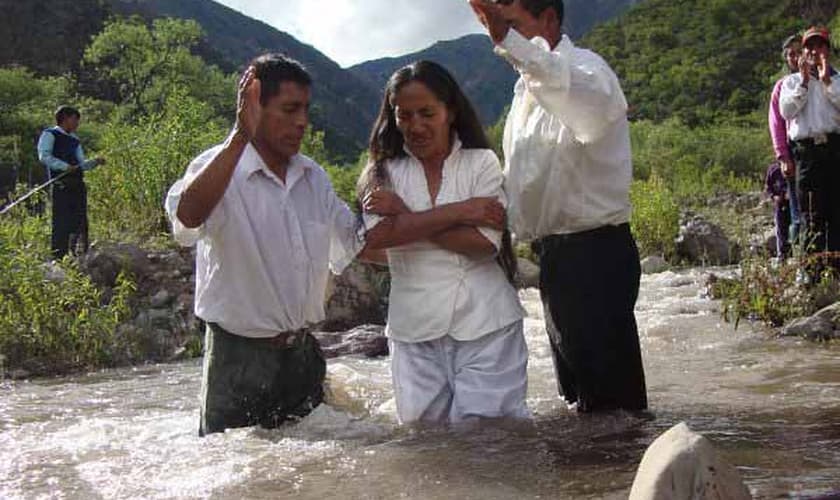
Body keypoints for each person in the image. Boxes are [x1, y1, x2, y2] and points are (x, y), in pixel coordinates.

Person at [165, 54, 364, 436]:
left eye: (305, 109)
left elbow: (356, 244)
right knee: (233, 476)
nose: (302, 121)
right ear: (254, 107)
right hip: (238, 360)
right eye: (289, 109)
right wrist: (240, 135)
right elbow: (188, 219)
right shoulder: (218, 168)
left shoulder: (313, 177)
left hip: (301, 356)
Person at [469, 0, 648, 413]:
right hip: (557, 257)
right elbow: (527, 179)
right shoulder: (524, 92)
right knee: (579, 394)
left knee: (611, 404)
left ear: (548, 18)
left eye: (514, 25)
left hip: (595, 252)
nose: (504, 35)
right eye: (501, 28)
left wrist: (508, 42)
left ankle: (629, 474)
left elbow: (577, 103)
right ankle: (599, 478)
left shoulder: (586, 71)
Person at [358, 60, 528, 424]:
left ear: (450, 112)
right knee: (427, 444)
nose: (415, 125)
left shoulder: (481, 162)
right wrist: (460, 211)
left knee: (491, 438)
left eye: (426, 113)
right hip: (413, 327)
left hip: (486, 322)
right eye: (404, 115)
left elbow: (484, 245)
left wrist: (405, 214)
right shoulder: (382, 170)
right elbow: (379, 237)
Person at [779, 27, 840, 264]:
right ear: (803, 52)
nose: (814, 52)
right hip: (807, 153)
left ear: (827, 50)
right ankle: (811, 273)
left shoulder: (836, 79)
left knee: (836, 212)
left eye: (819, 46)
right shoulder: (791, 82)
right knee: (810, 213)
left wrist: (826, 82)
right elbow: (786, 111)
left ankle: (835, 271)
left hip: (834, 150)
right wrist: (804, 82)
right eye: (809, 47)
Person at [37, 106, 105, 259]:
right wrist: (64, 166)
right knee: (61, 222)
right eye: (75, 120)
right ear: (65, 118)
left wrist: (95, 162)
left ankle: (79, 255)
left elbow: (81, 164)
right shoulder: (50, 134)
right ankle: (58, 257)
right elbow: (44, 156)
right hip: (61, 184)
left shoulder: (74, 139)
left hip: (77, 185)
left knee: (80, 220)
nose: (77, 124)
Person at [768, 35, 803, 248]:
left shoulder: (825, 79)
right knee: (797, 207)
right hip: (795, 149)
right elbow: (776, 123)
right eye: (791, 54)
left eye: (799, 51)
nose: (795, 57)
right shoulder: (782, 86)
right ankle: (800, 259)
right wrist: (782, 155)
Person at [764, 160, 791, 258]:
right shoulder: (773, 169)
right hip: (779, 204)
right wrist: (773, 196)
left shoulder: (793, 165)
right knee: (780, 230)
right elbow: (768, 187)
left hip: (794, 204)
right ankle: (782, 257)